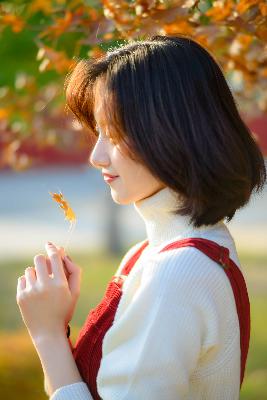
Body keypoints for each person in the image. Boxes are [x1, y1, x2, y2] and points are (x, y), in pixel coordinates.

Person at [16, 34, 266, 400]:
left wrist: (48, 334)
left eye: (114, 134)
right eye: (97, 132)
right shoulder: (155, 252)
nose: (96, 156)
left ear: (173, 131)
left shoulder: (176, 272)